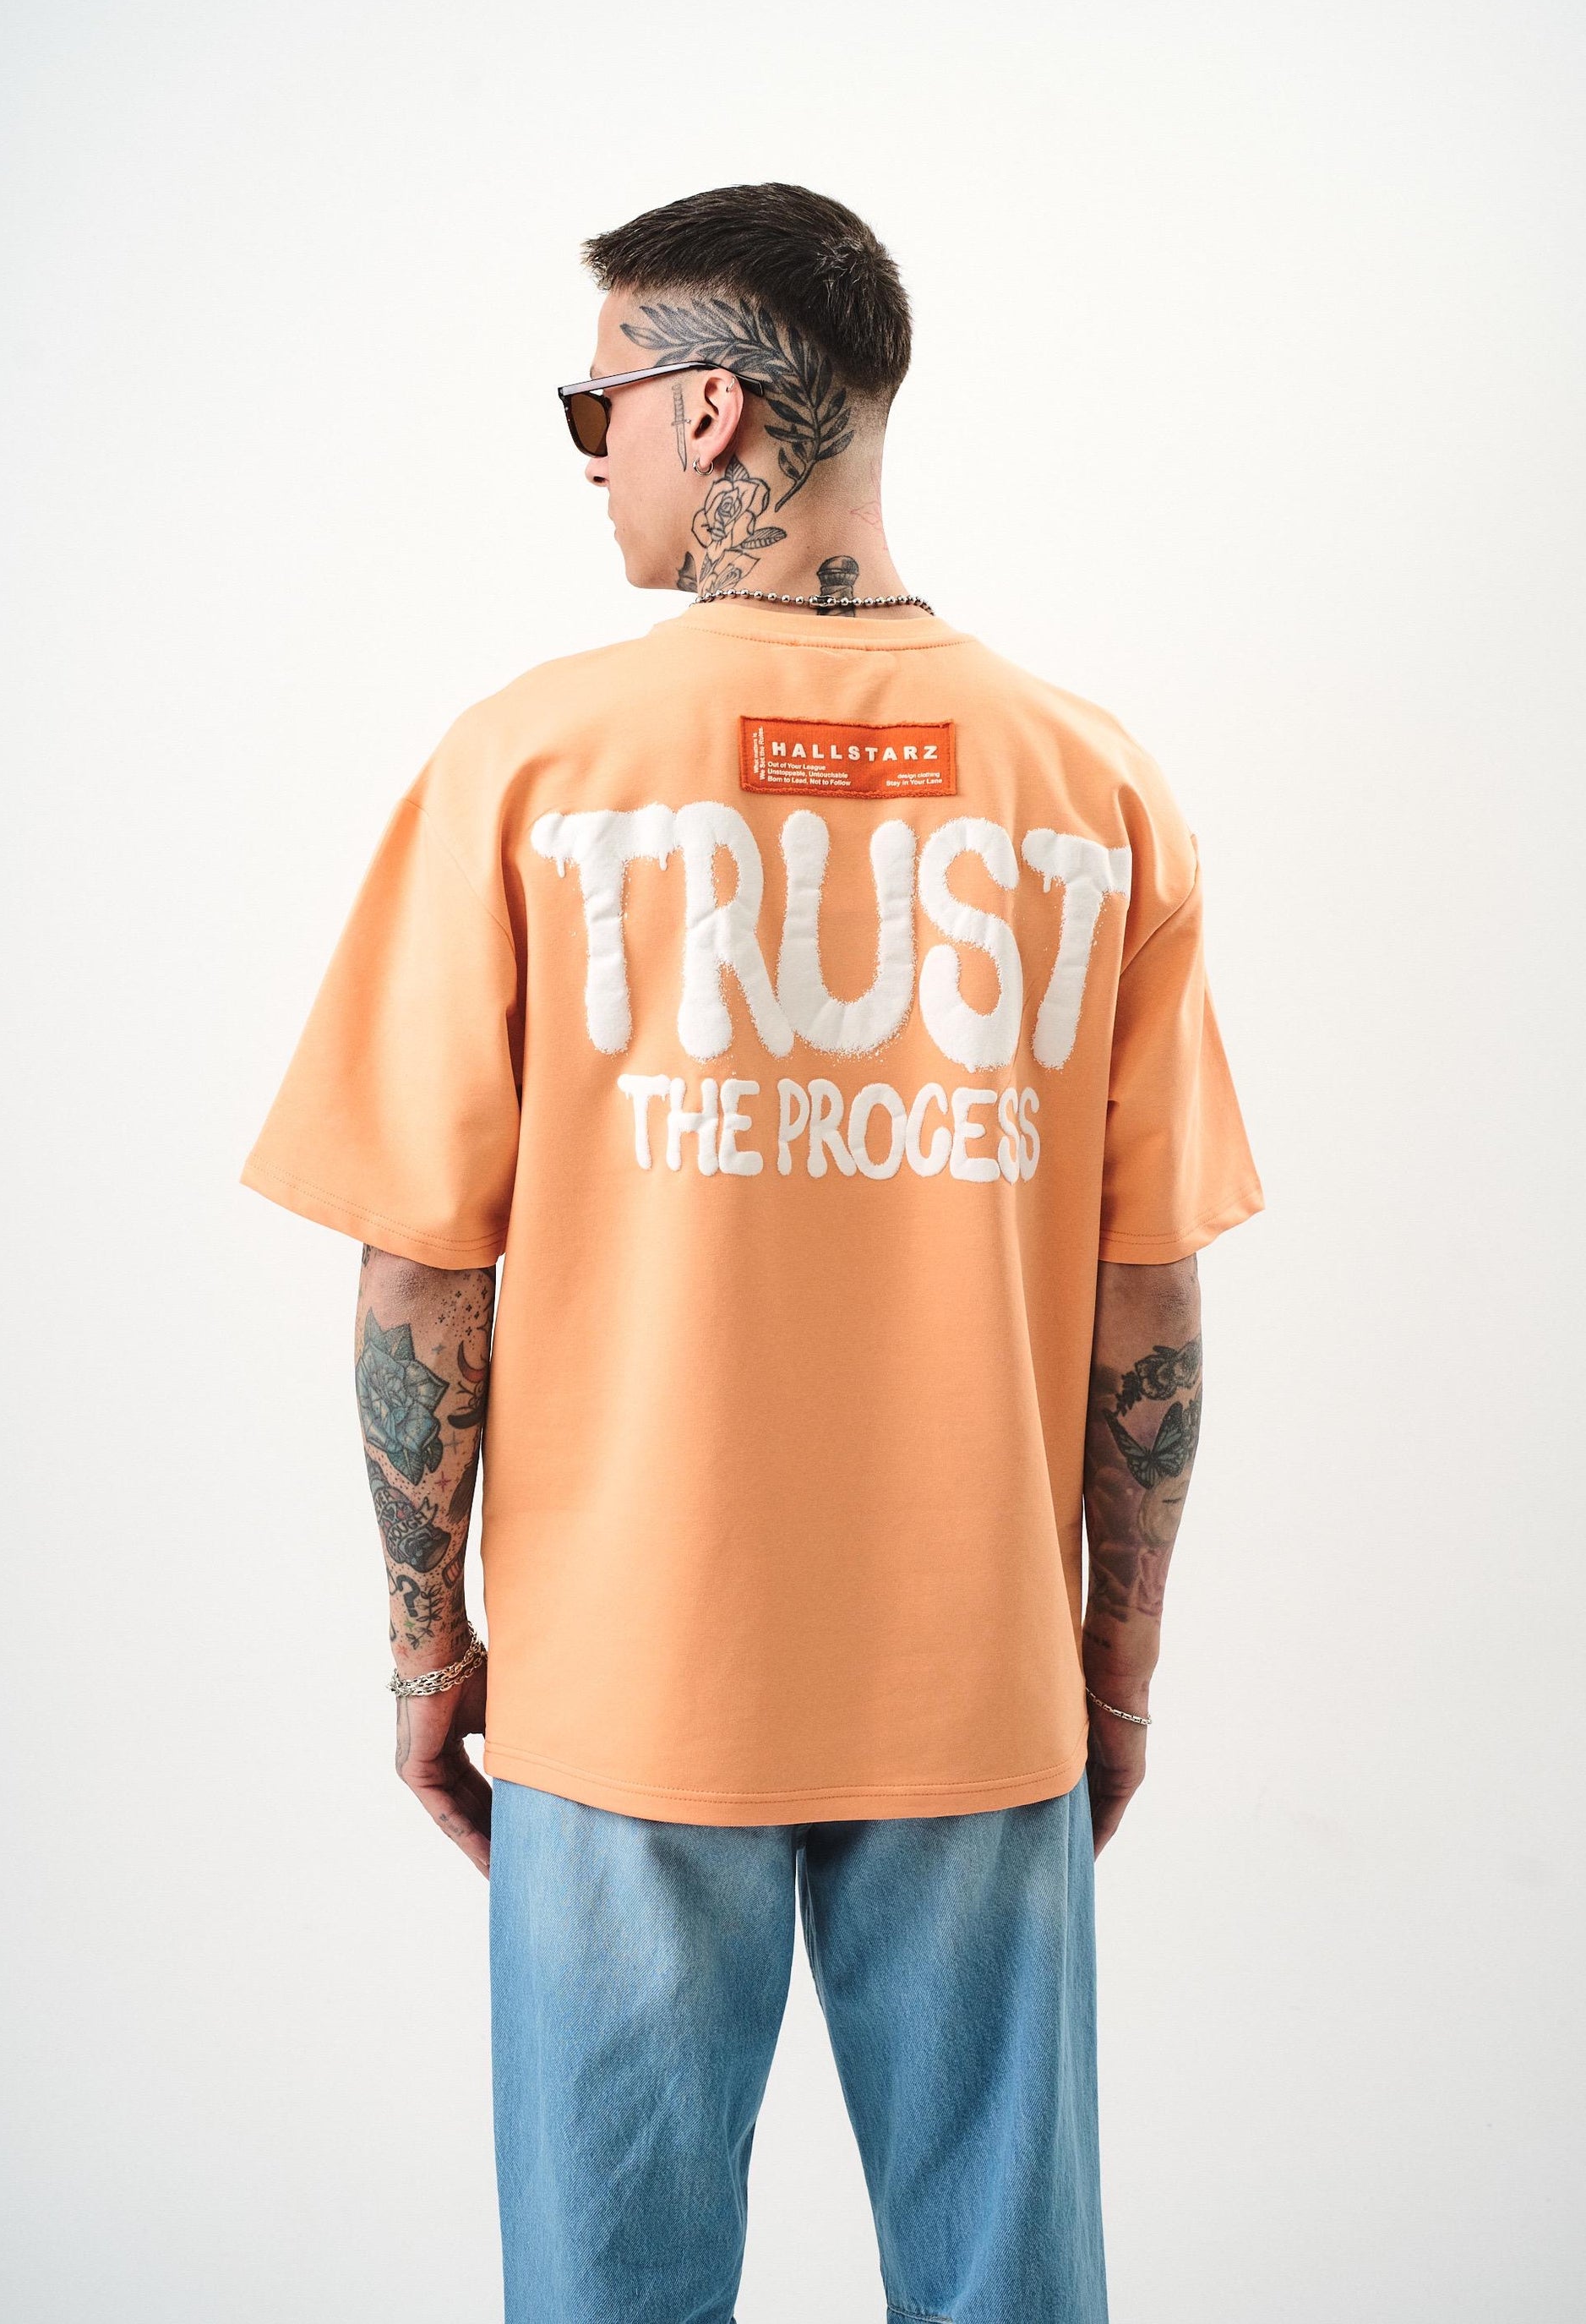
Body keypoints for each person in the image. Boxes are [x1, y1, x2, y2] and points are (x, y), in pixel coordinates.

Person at [243, 181, 1262, 2324]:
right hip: (977, 1681)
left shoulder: (526, 770)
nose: (590, 453)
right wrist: (1113, 1662)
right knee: (1006, 2287)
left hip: (624, 1687)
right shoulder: (1089, 787)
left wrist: (427, 1653)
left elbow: (420, 1276)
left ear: (707, 410)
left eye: (595, 404)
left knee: (609, 2292)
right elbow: (1145, 1295)